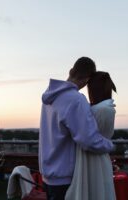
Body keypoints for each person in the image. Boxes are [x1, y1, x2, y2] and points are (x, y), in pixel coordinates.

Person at [39, 57, 114, 200]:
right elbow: (88, 140)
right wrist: (110, 145)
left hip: (48, 175)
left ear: (71, 71)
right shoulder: (76, 100)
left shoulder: (49, 97)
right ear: (87, 80)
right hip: (65, 178)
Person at [65, 71, 117, 200]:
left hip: (89, 157)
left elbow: (83, 135)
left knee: (92, 191)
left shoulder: (98, 110)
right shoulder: (107, 108)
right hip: (100, 156)